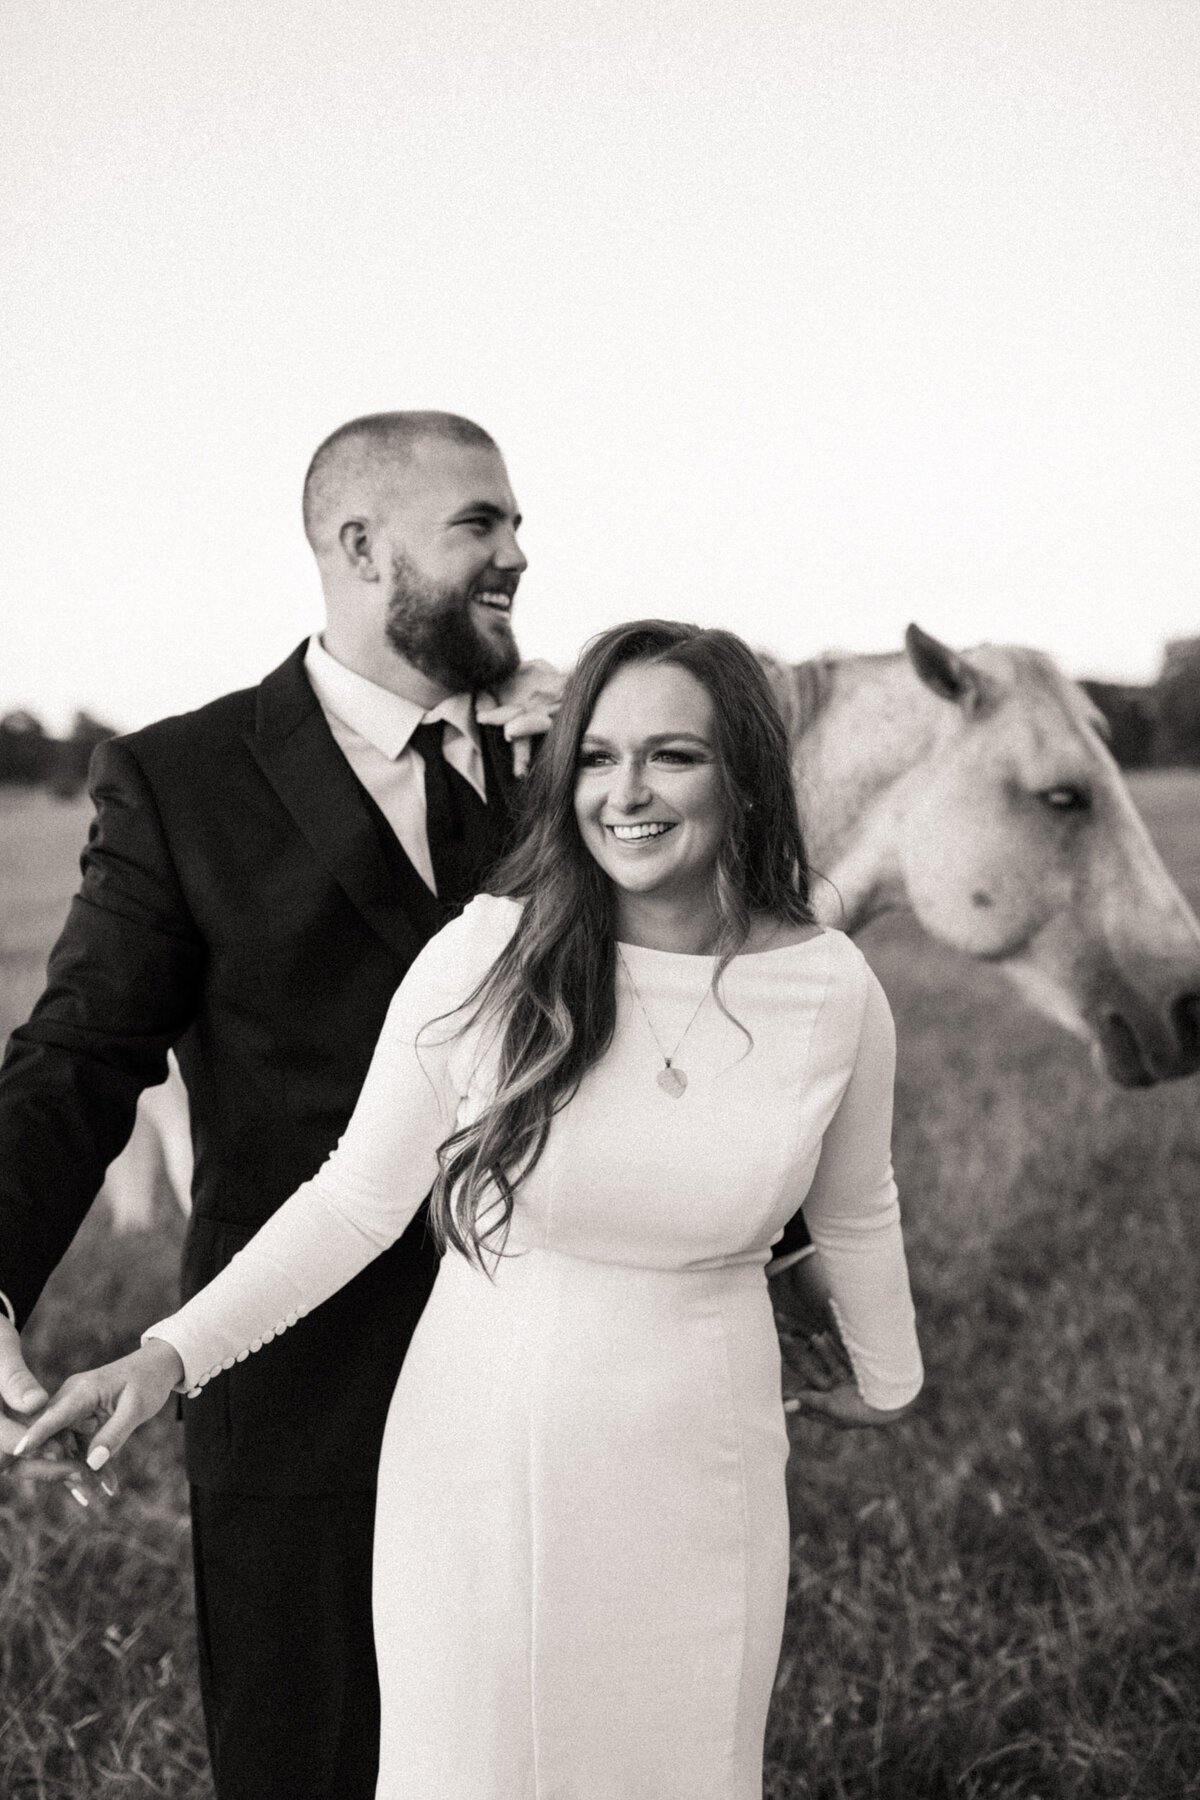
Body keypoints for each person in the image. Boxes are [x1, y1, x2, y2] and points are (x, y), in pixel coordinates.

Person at [18, 619, 924, 1800]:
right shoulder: (489, 952)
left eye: (672, 757)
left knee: (686, 1763)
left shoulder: (829, 984)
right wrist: (165, 1357)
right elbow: (353, 1200)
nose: (627, 793)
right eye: (596, 758)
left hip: (708, 1461)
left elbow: (860, 1210)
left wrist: (889, 1370)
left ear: (744, 774)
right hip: (482, 1457)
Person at [0, 410, 567, 1799]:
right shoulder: (184, 781)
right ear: (363, 547)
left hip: (562, 1369)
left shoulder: (576, 766)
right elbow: (82, 1053)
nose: (520, 555)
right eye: (481, 524)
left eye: (516, 524)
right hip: (301, 1378)